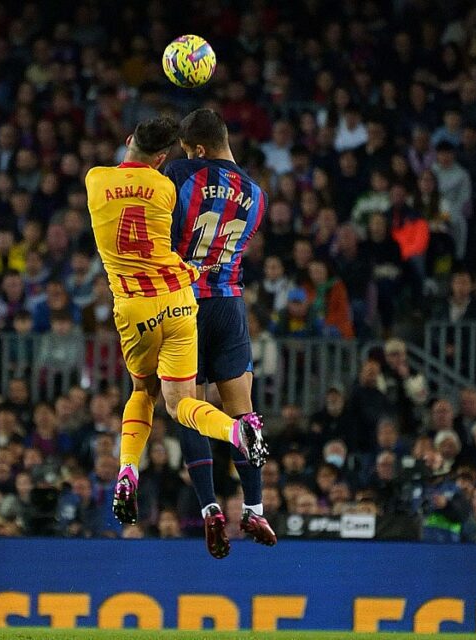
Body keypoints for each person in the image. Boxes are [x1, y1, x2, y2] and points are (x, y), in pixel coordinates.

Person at [84, 115, 267, 527]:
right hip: (216, 298)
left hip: (147, 302)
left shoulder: (106, 179)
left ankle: (188, 497)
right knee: (227, 405)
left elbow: (164, 228)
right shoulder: (256, 194)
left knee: (157, 397)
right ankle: (253, 501)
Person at [164, 108, 277, 558]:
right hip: (230, 304)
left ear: (197, 148)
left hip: (186, 304)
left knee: (188, 407)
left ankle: (211, 507)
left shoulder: (182, 173)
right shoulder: (257, 194)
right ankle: (255, 507)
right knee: (242, 412)